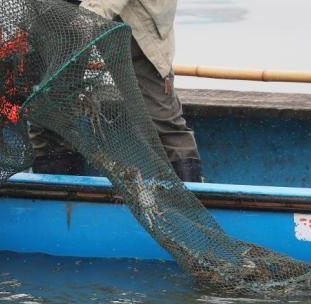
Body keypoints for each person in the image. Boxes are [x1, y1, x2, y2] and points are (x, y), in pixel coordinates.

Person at [30, 0, 203, 182]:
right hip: (61, 10)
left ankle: (189, 198)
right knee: (49, 112)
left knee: (159, 119)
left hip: (134, 14)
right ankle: (57, 196)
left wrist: (92, 12)